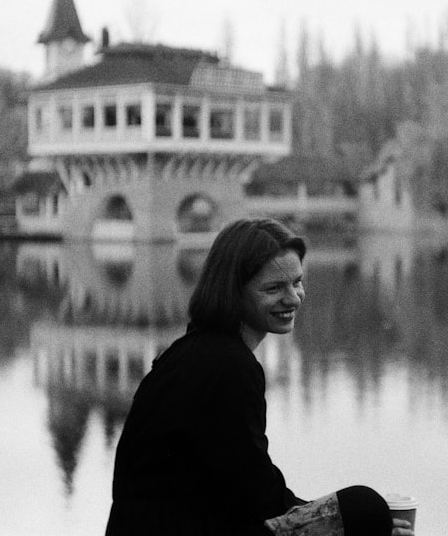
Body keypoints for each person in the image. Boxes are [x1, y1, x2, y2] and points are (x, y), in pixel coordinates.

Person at [106, 218, 414, 536]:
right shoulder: (227, 365)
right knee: (365, 510)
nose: (294, 298)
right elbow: (259, 496)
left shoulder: (195, 350)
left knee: (352, 515)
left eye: (297, 282)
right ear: (233, 292)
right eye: (274, 288)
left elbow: (240, 487)